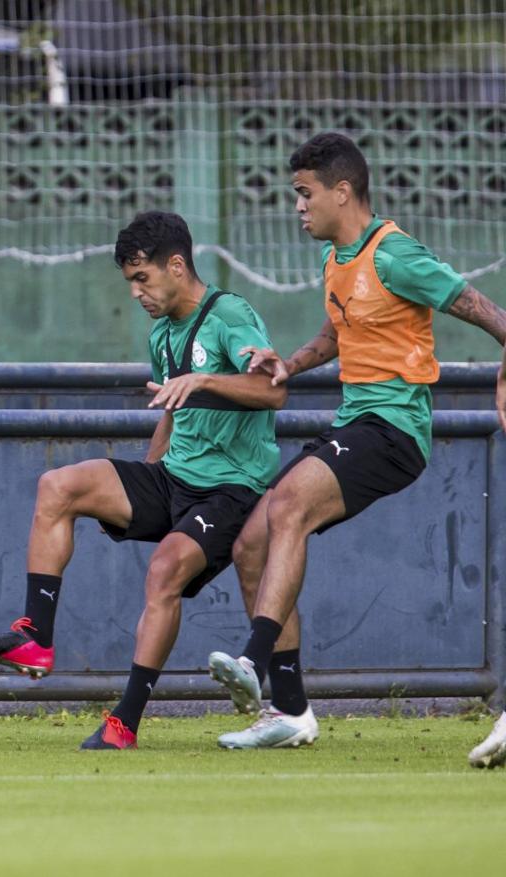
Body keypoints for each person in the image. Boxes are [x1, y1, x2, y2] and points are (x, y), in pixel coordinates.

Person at [209, 132, 506, 748]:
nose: (298, 205)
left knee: (288, 507)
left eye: (305, 192)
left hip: (396, 430)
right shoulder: (335, 261)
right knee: (251, 545)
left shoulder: (396, 254)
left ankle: (253, 659)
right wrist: (289, 364)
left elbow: (472, 302)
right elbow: (338, 333)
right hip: (355, 425)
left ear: (342, 192)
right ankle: (290, 713)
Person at [0, 211, 286, 749]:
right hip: (174, 477)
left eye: (142, 279)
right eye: (130, 281)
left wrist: (204, 379)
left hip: (233, 489)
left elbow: (273, 392)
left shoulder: (230, 315)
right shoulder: (162, 335)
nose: (136, 292)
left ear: (176, 266)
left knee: (163, 573)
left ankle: (124, 723)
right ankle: (35, 637)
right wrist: (151, 472)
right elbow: (173, 411)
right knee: (57, 486)